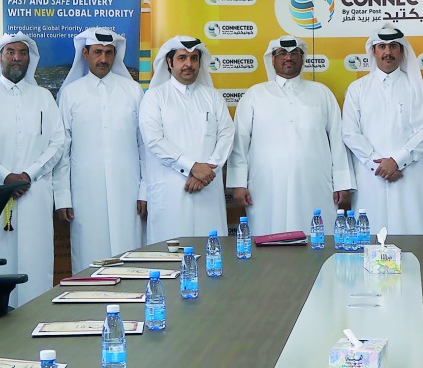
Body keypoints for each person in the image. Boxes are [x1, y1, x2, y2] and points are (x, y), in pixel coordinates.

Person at [226, 36, 353, 235]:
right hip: (266, 185)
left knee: (316, 238)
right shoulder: (255, 94)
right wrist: (239, 184)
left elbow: (337, 139)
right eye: (283, 53)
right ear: (272, 59)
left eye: (295, 53)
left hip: (315, 183)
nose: (289, 58)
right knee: (268, 239)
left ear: (303, 59)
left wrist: (342, 183)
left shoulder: (321, 93)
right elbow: (239, 143)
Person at [0, 33, 66, 305]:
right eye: (11, 52)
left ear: (30, 59)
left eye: (22, 53)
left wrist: (29, 174)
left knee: (34, 259)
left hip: (34, 192)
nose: (17, 57)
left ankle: (35, 316)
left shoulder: (43, 96)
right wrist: (5, 176)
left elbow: (58, 142)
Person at [52, 27, 147, 272]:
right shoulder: (70, 94)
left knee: (131, 257)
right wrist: (63, 196)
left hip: (129, 191)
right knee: (89, 259)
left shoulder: (133, 91)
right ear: (85, 54)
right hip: (84, 193)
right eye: (97, 52)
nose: (103, 59)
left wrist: (144, 190)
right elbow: (62, 149)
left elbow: (144, 145)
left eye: (108, 53)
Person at [341, 24, 423, 235]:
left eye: (394, 46)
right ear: (373, 51)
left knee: (412, 233)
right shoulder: (358, 89)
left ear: (402, 51)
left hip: (408, 174)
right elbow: (349, 131)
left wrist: (396, 161)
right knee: (370, 236)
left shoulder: (419, 88)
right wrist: (378, 163)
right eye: (382, 46)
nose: (388, 52)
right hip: (370, 175)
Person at [139, 36, 233, 243]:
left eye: (194, 58)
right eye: (182, 58)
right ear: (170, 63)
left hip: (208, 187)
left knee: (212, 252)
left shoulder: (213, 96)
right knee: (170, 255)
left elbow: (227, 134)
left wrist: (207, 171)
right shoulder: (154, 97)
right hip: (171, 192)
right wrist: (192, 167)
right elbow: (154, 141)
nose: (188, 64)